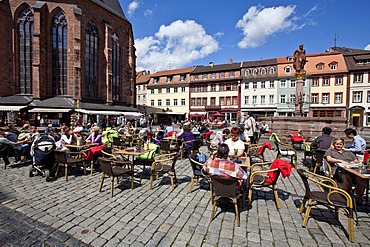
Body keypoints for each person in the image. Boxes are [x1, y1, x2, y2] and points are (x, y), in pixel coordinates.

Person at [325, 138, 365, 203]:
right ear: (334, 144)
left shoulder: (348, 152)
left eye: (340, 144)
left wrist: (353, 162)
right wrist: (339, 160)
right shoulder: (330, 150)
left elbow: (356, 161)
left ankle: (359, 197)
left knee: (361, 179)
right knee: (347, 177)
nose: (339, 146)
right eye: (337, 144)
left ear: (343, 145)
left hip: (352, 169)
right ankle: (346, 196)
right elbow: (329, 159)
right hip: (339, 170)